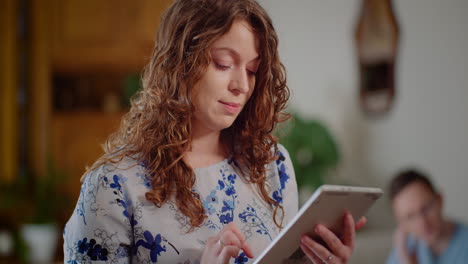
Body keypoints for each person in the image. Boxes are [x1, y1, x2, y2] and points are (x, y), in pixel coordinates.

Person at [63, 0, 365, 263]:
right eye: (223, 64)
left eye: (251, 70)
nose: (242, 86)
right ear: (181, 64)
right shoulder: (114, 185)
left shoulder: (273, 165)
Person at [386, 169, 468, 264]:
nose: (423, 223)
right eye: (410, 216)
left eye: (426, 209)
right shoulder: (404, 248)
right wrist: (403, 255)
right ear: (401, 223)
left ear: (439, 200)